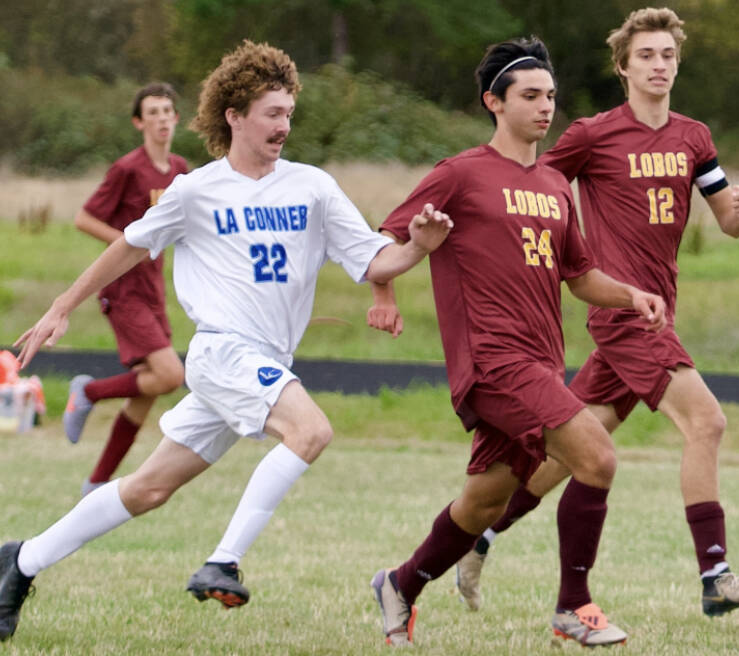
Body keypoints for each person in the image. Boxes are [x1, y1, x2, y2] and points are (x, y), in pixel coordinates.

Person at [0, 41, 450, 642]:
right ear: (234, 116)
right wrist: (62, 306)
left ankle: (18, 563)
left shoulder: (313, 187)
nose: (284, 125)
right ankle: (224, 560)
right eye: (271, 112)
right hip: (222, 353)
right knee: (310, 430)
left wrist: (419, 245)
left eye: (289, 112)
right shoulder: (196, 190)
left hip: (259, 363)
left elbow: (376, 263)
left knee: (149, 488)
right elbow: (130, 244)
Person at [391, 7, 739, 620]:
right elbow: (526, 185)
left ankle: (482, 540)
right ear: (623, 67)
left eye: (668, 55)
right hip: (624, 316)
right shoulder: (593, 135)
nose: (659, 65)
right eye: (646, 55)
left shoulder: (694, 137)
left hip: (658, 314)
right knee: (707, 423)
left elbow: (728, 219)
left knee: (570, 454)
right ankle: (716, 574)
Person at [364, 37, 666, 648]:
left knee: (483, 503)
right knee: (597, 457)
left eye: (550, 96)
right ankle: (572, 607)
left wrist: (631, 294)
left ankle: (400, 584)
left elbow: (579, 277)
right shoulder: (461, 173)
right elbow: (384, 241)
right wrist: (385, 291)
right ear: (493, 102)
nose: (544, 107)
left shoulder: (556, 184)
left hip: (541, 365)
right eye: (529, 96)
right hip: (492, 362)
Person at [64, 83, 191, 497]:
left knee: (146, 389)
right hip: (122, 289)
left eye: (167, 110)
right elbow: (85, 219)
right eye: (152, 112)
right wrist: (131, 240)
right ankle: (89, 390)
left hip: (154, 290)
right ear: (139, 122)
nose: (161, 118)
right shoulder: (126, 169)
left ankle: (96, 483)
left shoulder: (181, 170)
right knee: (170, 375)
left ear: (176, 118)